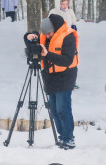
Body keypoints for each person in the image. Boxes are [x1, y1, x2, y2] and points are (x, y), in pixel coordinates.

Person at [25, 14, 78, 149]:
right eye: (45, 34)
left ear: (55, 28)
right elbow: (32, 43)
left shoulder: (68, 36)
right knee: (54, 110)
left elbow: (67, 60)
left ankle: (69, 138)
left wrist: (47, 54)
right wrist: (28, 37)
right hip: (50, 77)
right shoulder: (44, 35)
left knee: (63, 109)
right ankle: (62, 137)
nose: (47, 36)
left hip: (65, 76)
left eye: (49, 33)